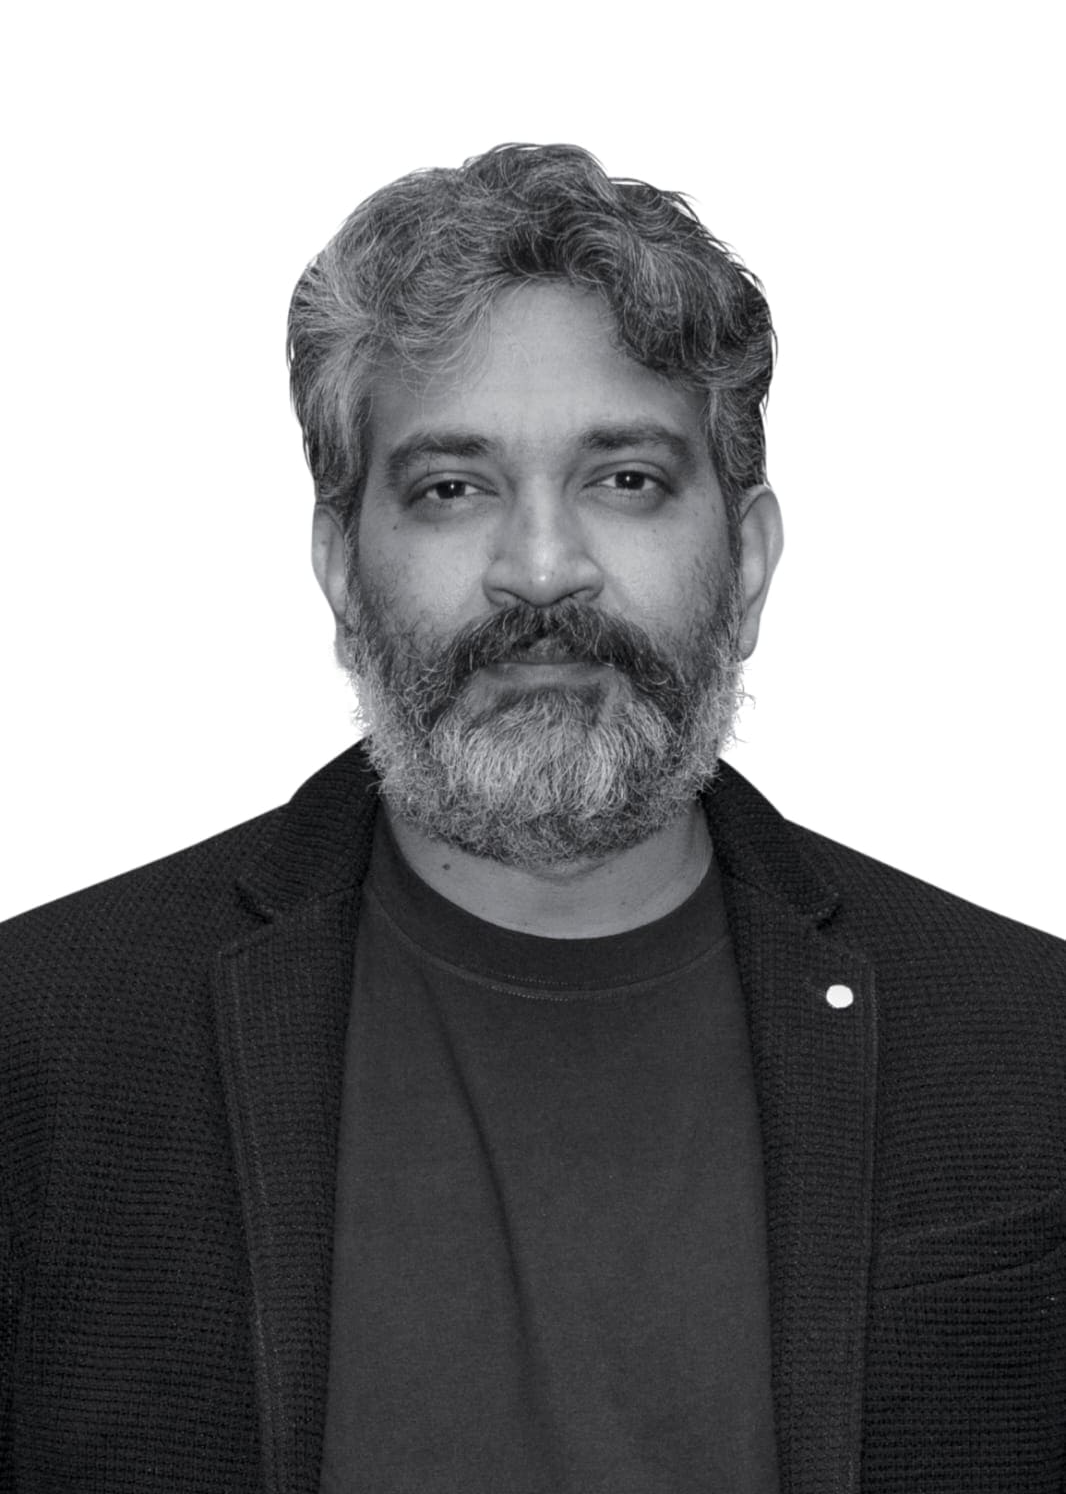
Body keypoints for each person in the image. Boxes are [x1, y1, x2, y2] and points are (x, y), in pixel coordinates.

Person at [1, 144, 1064, 1494]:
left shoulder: (1028, 1049)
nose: (543, 570)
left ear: (744, 565)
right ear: (342, 573)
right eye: (453, 488)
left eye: (625, 479)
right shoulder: (45, 1046)